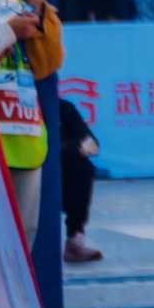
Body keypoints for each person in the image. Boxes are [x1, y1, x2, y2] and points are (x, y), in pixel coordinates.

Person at [0, 0, 64, 259]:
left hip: (21, 138)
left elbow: (46, 64)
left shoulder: (18, 7)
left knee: (18, 255)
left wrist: (36, 1)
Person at [60, 100, 102, 263]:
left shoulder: (63, 108)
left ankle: (74, 239)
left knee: (82, 167)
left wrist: (60, 149)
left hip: (56, 166)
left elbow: (92, 145)